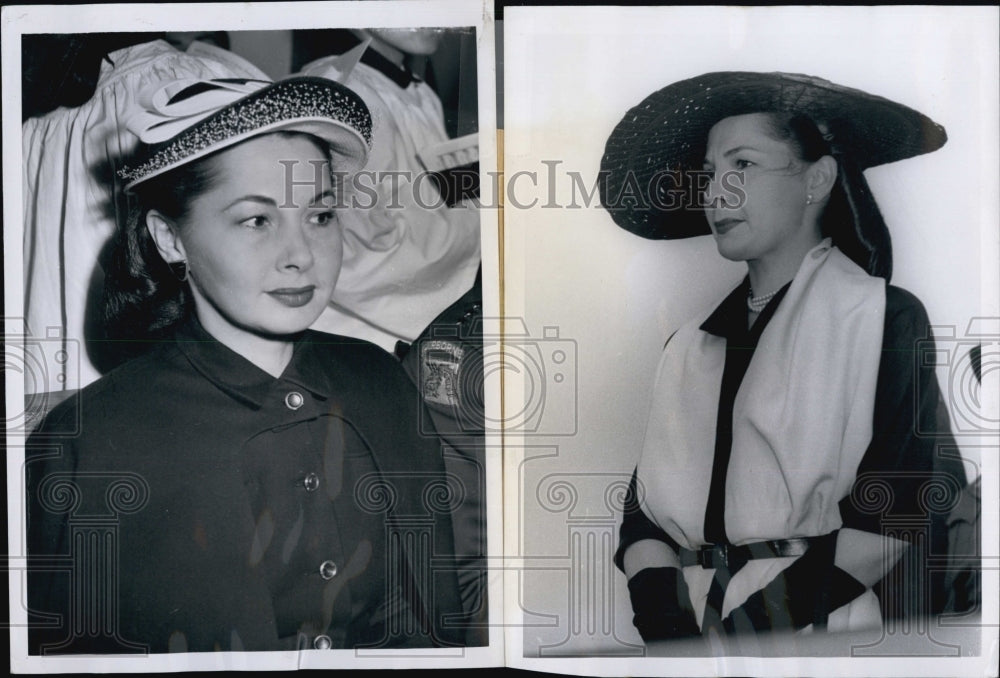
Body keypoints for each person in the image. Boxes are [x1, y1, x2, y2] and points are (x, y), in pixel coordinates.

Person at [25, 76, 465, 654]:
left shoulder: (382, 381)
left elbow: (436, 618)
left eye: (321, 216)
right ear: (169, 238)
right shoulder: (85, 444)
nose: (301, 256)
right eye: (257, 220)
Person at [600, 72, 968, 643]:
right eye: (709, 173)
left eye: (742, 165)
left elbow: (898, 512)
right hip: (692, 632)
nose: (715, 193)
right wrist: (668, 628)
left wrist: (753, 631)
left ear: (817, 179)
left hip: (822, 629)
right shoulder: (688, 346)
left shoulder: (883, 319)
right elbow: (644, 515)